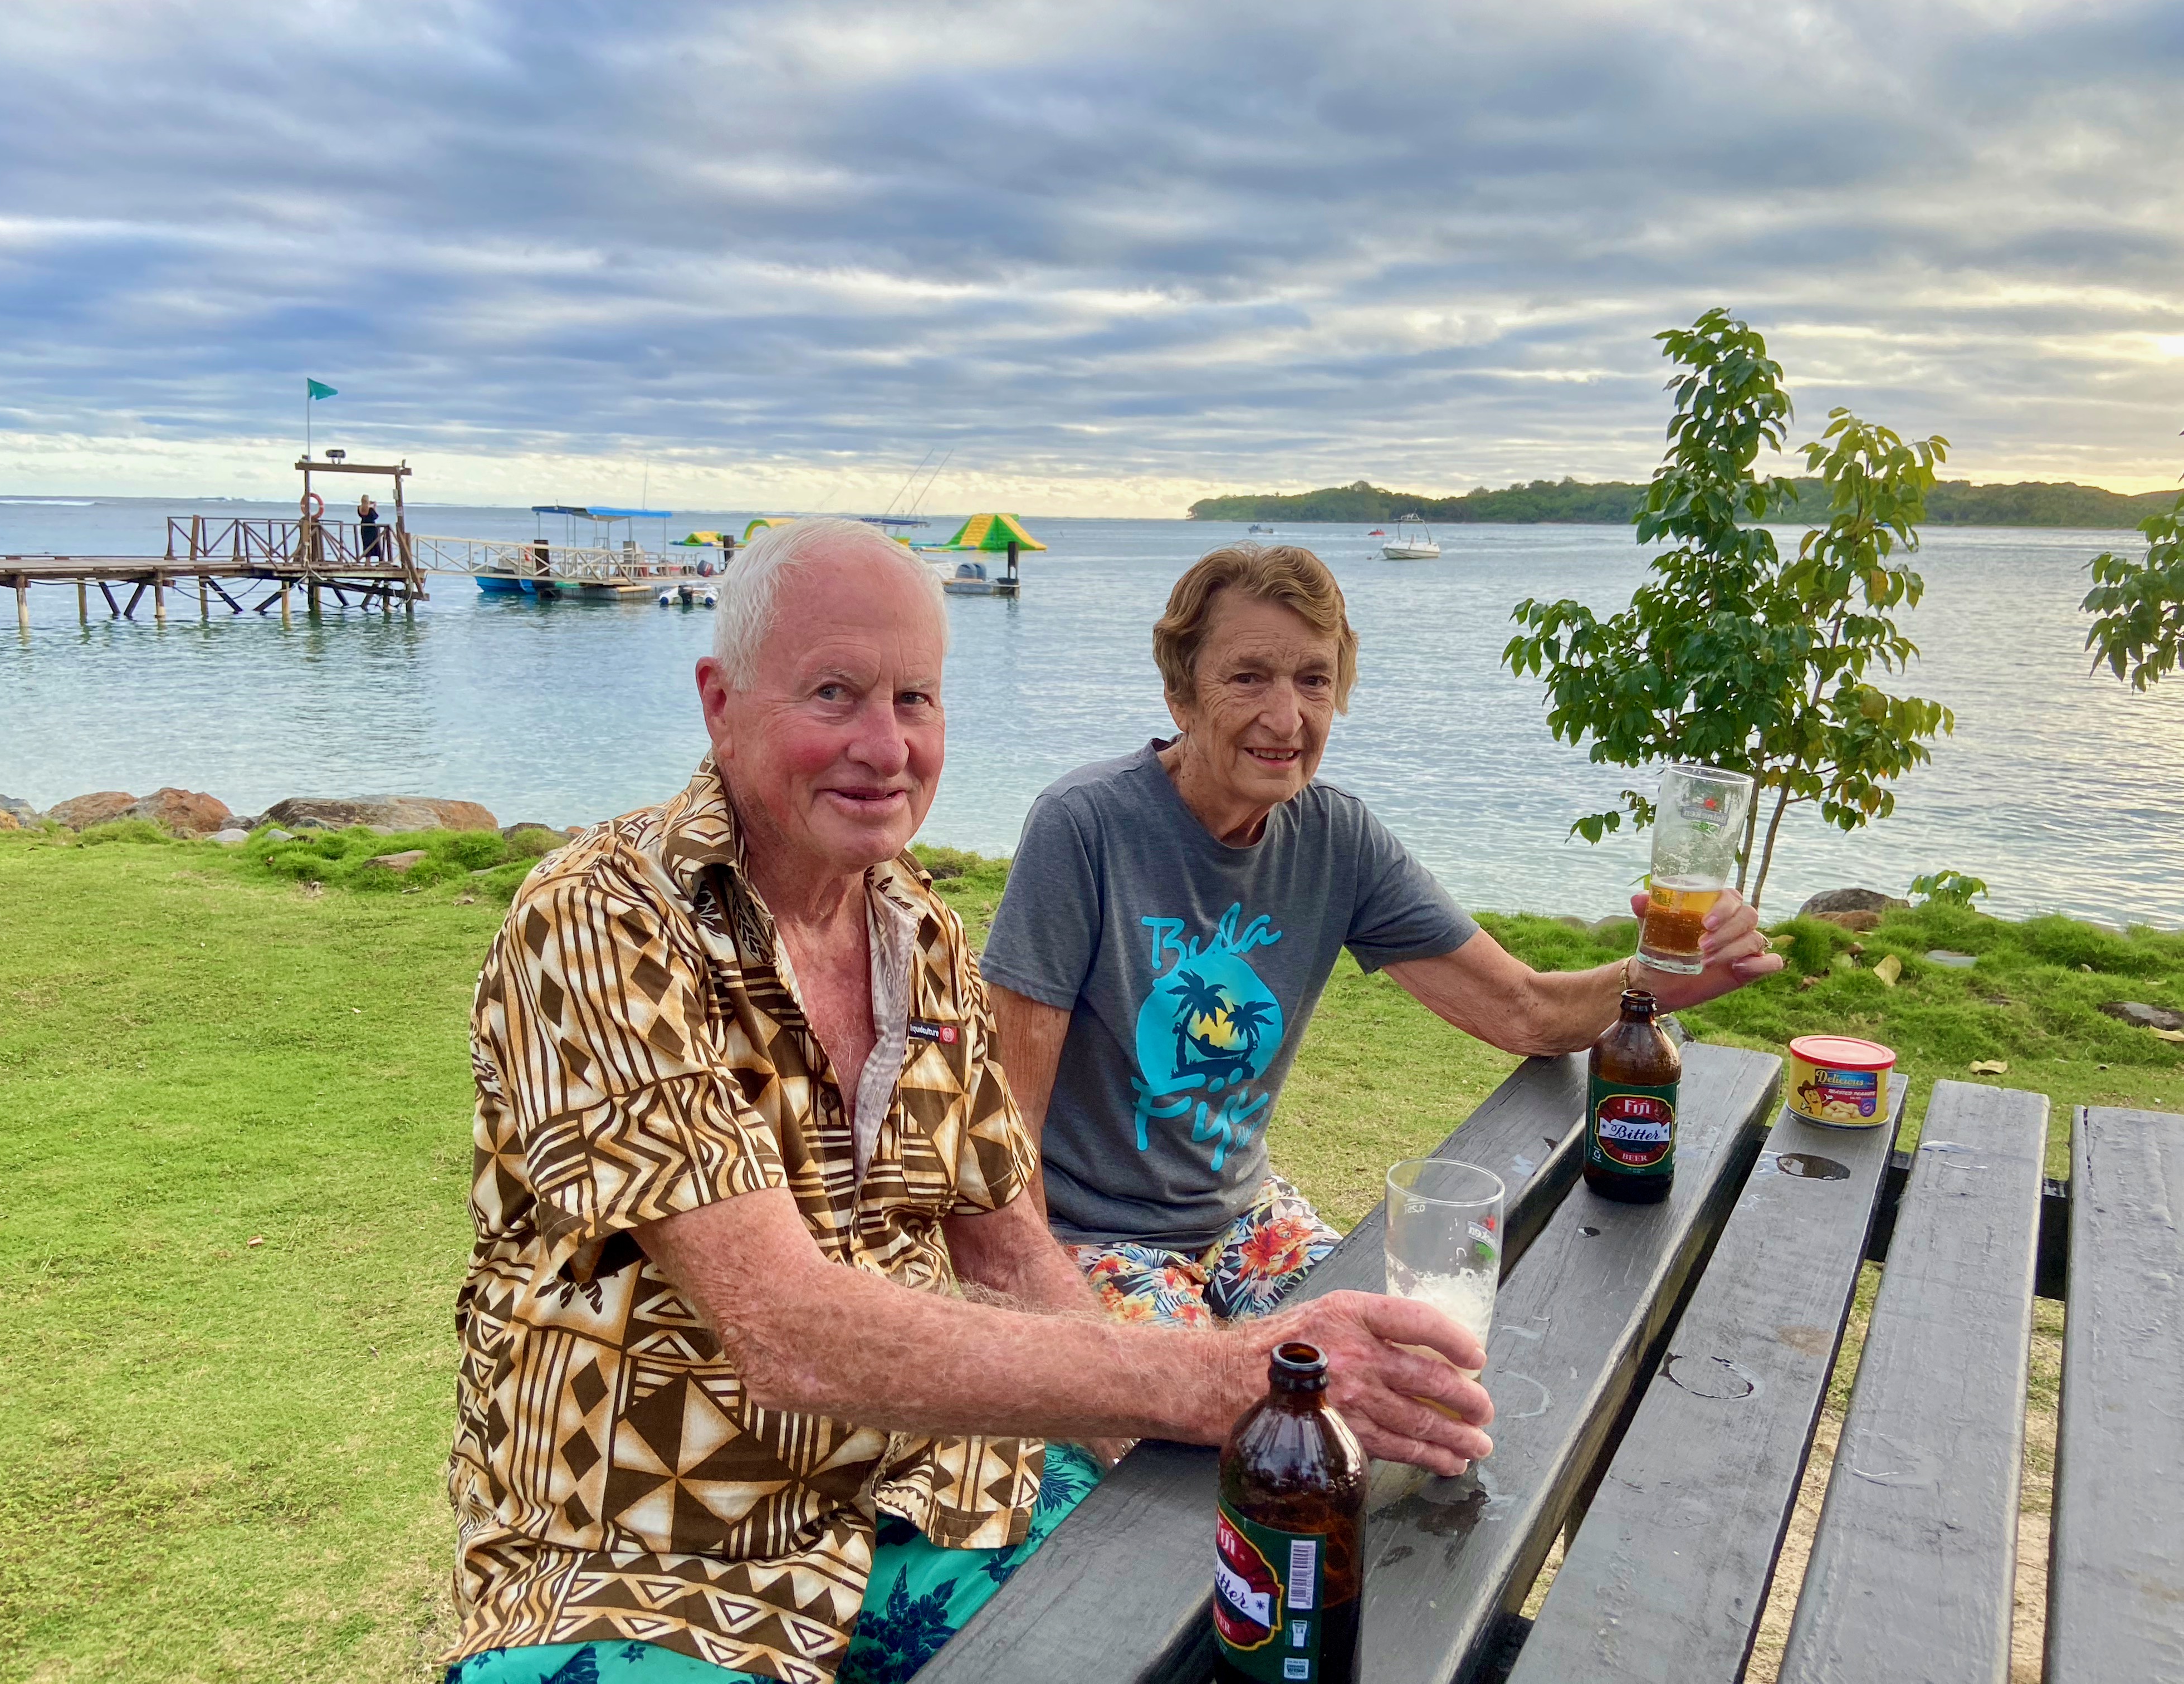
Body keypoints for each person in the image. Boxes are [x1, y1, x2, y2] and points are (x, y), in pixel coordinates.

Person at [442, 520, 1496, 1684]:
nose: (885, 747)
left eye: (916, 699)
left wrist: (1146, 1455)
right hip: (651, 1557)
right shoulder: (602, 919)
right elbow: (782, 1332)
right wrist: (1219, 1377)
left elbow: (1010, 1254)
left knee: (1224, 1623)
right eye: (834, 694)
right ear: (719, 700)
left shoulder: (920, 932)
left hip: (926, 1493)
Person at [980, 543, 1781, 1327]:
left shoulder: (1335, 839)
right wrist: (1057, 1319)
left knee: (1396, 1356)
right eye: (1249, 677)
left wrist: (1665, 975)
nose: (1286, 717)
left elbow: (1524, 1013)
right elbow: (1003, 1122)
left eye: (1313, 681)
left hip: (1246, 1218)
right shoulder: (1084, 827)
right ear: (1180, 695)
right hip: (1092, 1236)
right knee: (1202, 1437)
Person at [358, 493, 384, 561]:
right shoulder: (370, 509)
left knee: (366, 544)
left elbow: (362, 516)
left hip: (364, 527)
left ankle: (367, 561)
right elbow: (375, 516)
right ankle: (380, 560)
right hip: (372, 528)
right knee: (375, 543)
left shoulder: (360, 508)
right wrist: (375, 507)